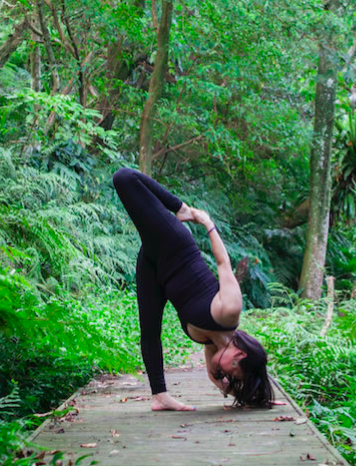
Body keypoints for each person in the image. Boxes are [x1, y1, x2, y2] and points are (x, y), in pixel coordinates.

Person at [112, 167, 283, 411]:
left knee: (149, 331)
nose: (224, 375)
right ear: (238, 356)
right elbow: (223, 263)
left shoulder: (212, 342)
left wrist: (256, 399)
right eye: (232, 373)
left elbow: (215, 379)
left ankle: (159, 396)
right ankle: (179, 207)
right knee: (124, 178)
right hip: (174, 243)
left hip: (154, 266)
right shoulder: (229, 311)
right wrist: (207, 223)